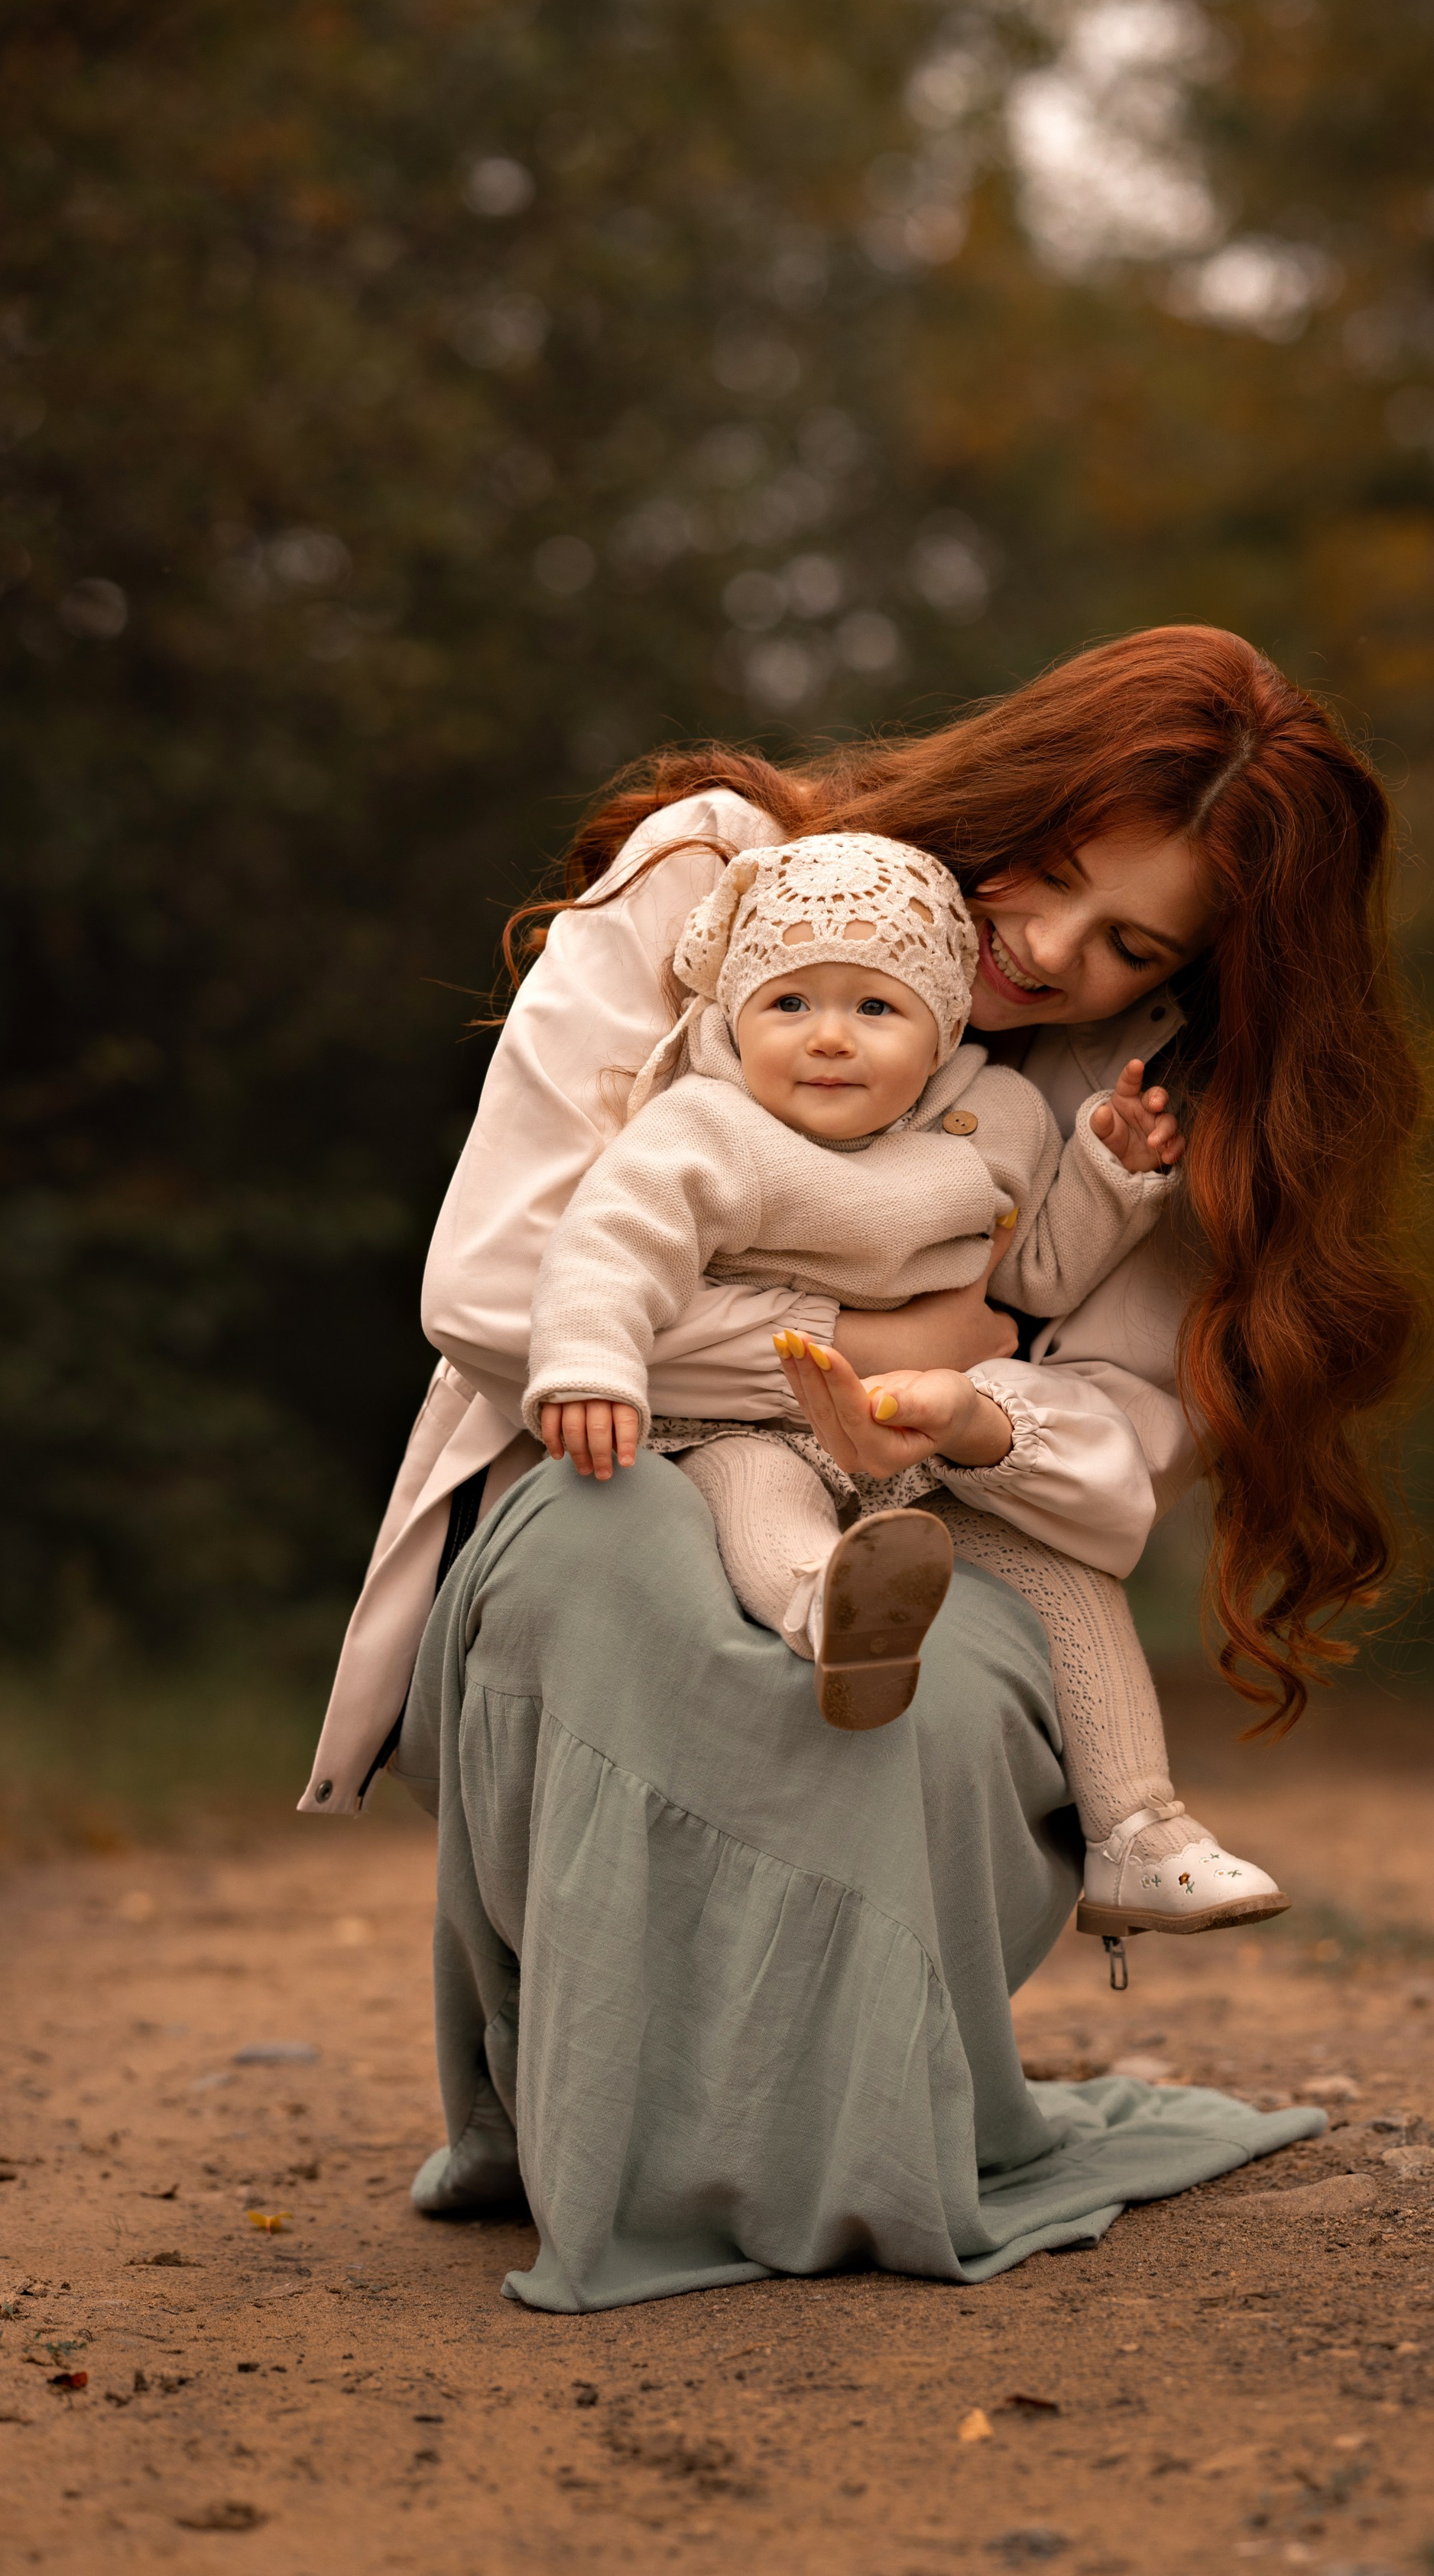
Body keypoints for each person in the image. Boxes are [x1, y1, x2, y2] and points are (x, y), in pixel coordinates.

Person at [304, 627, 1427, 2311]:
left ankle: (843, 2132)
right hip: (605, 1438)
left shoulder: (1142, 1102)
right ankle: (595, 2124)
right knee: (619, 1567)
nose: (1044, 949)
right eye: (1045, 871)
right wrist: (892, 1339)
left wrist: (967, 1410)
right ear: (1010, 790)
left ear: (1193, 977)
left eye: (1129, 941)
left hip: (933, 1514)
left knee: (942, 1670)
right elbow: (489, 1294)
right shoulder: (720, 883)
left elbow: (1109, 1466)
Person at [519, 826, 1289, 1935]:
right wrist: (591, 1363)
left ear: (937, 1031)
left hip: (913, 1455)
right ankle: (830, 1605)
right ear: (738, 1013)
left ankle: (1140, 1833)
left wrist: (1112, 1174)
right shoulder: (706, 1124)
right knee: (758, 1496)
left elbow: (1033, 1273)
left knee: (1071, 1583)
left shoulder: (999, 1122)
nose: (828, 1039)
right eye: (790, 1005)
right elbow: (608, 1245)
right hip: (742, 1420)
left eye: (875, 1009)